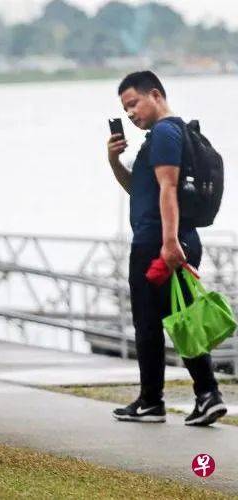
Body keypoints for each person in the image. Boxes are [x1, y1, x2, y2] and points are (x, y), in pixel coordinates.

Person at [107, 71, 226, 426]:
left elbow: (168, 188)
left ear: (155, 95)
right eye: (125, 109)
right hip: (172, 237)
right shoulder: (172, 133)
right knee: (181, 318)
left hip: (158, 242)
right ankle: (205, 395)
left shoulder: (163, 133)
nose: (130, 113)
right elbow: (141, 191)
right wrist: (114, 162)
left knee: (148, 323)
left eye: (133, 103)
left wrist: (169, 242)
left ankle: (155, 401)